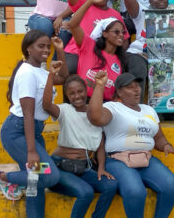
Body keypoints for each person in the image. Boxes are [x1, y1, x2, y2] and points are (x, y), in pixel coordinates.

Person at [0, 31, 67, 216]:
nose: (46, 50)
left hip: (33, 132)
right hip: (18, 131)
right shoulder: (26, 73)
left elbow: (64, 78)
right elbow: (28, 113)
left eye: (47, 47)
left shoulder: (41, 72)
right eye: (41, 46)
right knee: (49, 175)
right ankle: (2, 177)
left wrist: (60, 51)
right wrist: (32, 151)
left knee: (34, 180)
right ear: (28, 48)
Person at [87, 72, 174, 218]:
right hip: (118, 160)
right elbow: (95, 117)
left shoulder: (149, 110)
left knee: (170, 185)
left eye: (137, 86)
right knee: (136, 191)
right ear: (119, 91)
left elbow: (159, 137)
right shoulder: (113, 107)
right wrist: (99, 86)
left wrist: (166, 146)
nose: (136, 90)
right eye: (130, 87)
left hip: (145, 159)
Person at [42, 65, 117, 218]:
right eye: (72, 93)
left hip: (83, 168)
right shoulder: (65, 110)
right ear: (68, 96)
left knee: (111, 186)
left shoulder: (95, 113)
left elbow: (100, 147)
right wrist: (50, 76)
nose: (77, 96)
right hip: (59, 166)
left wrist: (101, 168)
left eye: (80, 91)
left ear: (86, 91)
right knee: (86, 192)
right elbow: (47, 105)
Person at [116, 0, 169, 101]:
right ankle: (136, 107)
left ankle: (164, 111)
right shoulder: (142, 11)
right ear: (149, 0)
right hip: (139, 53)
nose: (161, 0)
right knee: (138, 69)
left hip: (163, 56)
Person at [68, 0, 127, 101]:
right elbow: (73, 25)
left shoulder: (121, 60)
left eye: (123, 32)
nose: (121, 35)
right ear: (104, 33)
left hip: (106, 107)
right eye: (116, 32)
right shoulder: (89, 46)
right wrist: (90, 1)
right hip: (83, 103)